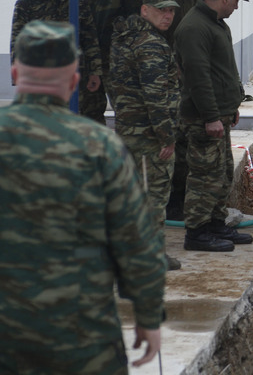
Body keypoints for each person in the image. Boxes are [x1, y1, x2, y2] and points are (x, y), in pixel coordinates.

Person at [0, 21, 165, 373]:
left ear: (14, 73)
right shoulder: (100, 147)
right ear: (74, 81)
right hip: (82, 339)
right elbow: (137, 243)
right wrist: (149, 316)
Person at [174, 0, 251, 252]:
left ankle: (215, 222)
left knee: (221, 173)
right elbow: (198, 76)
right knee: (204, 175)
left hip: (219, 113)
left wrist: (230, 106)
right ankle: (196, 231)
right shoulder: (195, 27)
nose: (236, 7)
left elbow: (222, 70)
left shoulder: (215, 23)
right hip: (203, 117)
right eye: (236, 1)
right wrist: (210, 116)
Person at [109, 0, 182, 271]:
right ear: (144, 10)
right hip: (149, 138)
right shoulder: (150, 44)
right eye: (161, 10)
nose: (167, 16)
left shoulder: (127, 36)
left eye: (171, 11)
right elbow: (155, 97)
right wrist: (166, 137)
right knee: (153, 196)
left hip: (130, 131)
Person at [150, 0, 210, 221]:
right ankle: (171, 201)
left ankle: (181, 198)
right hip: (164, 71)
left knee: (185, 139)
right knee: (171, 139)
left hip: (187, 70)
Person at [10, 0, 103, 108]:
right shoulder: (27, 2)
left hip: (75, 75)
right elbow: (17, 42)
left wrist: (95, 71)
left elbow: (90, 37)